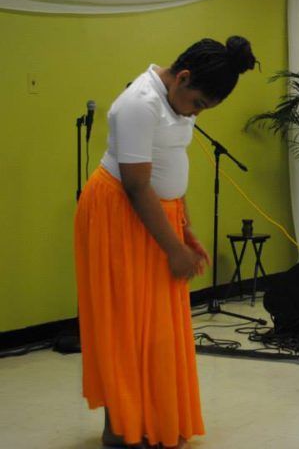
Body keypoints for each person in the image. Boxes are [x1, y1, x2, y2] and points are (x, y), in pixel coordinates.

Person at [74, 37, 257, 448]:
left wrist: (184, 229)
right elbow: (137, 185)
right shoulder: (139, 103)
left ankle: (150, 417)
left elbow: (171, 164)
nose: (196, 113)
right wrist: (174, 250)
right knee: (124, 319)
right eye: (198, 104)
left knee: (156, 325)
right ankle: (120, 426)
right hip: (119, 212)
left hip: (157, 213)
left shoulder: (175, 101)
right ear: (183, 78)